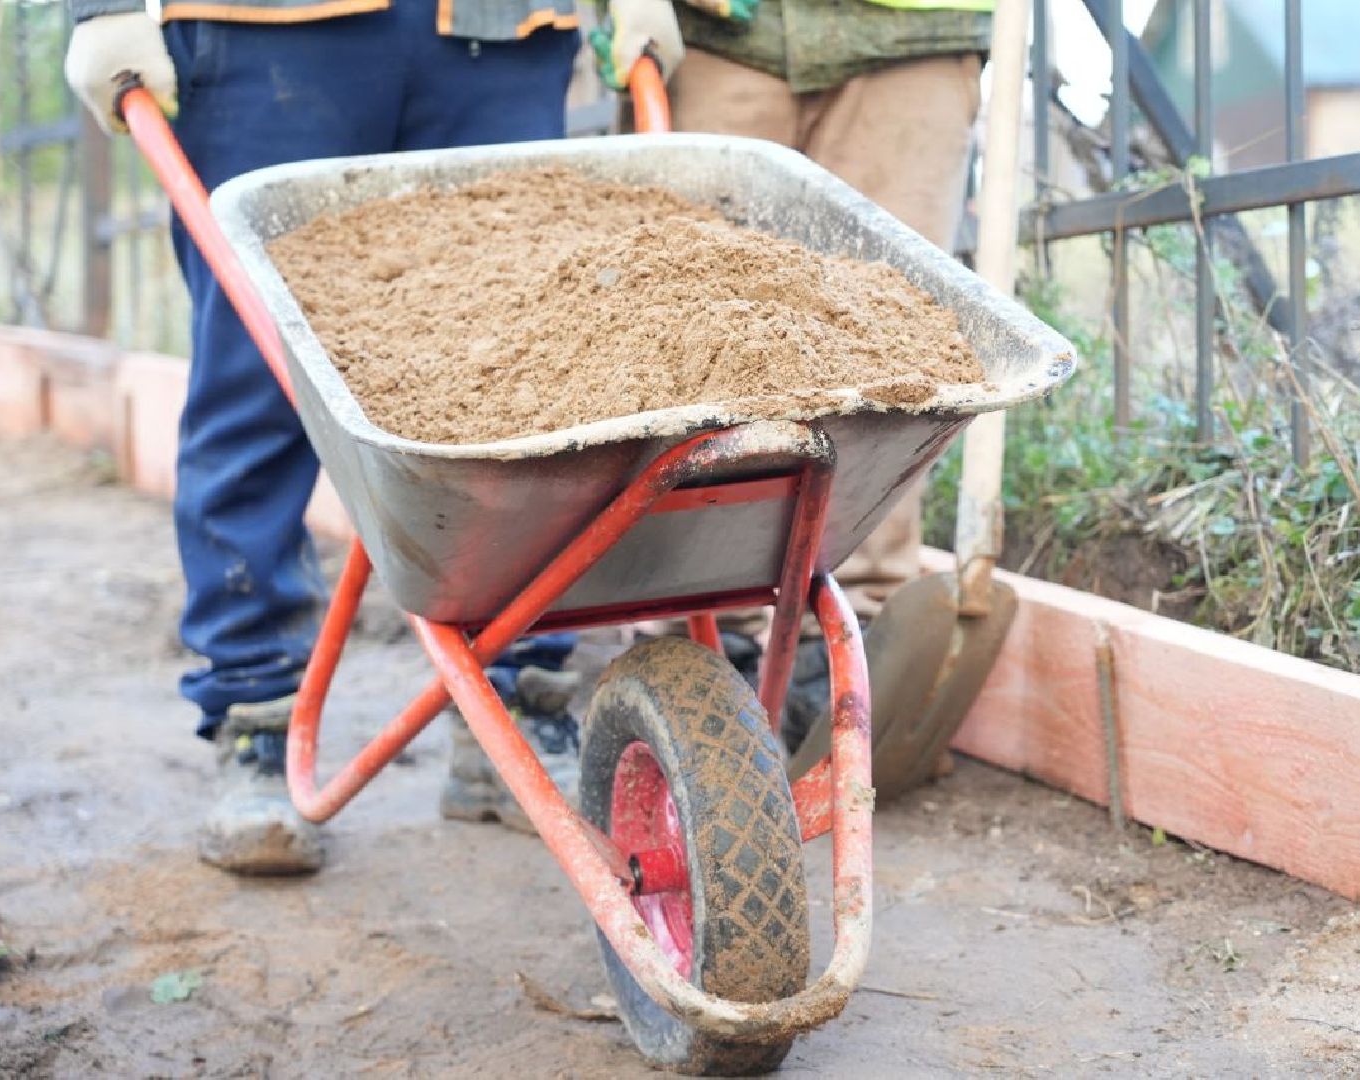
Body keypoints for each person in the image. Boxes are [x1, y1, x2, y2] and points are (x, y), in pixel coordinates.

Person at [63, 0, 685, 874]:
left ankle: (514, 706)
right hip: (265, 36)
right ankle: (257, 718)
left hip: (498, 31)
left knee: (530, 369)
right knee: (259, 375)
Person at [596, 0, 992, 751]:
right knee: (702, 332)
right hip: (722, 33)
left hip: (912, 34)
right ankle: (710, 640)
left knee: (892, 344)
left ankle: (846, 643)